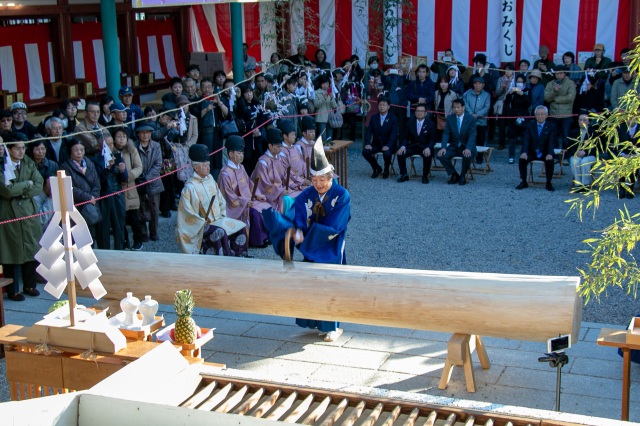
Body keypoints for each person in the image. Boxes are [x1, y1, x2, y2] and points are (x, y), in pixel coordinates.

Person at [262, 137, 351, 342]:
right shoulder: (308, 193)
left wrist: (306, 236)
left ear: (331, 177)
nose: (318, 184)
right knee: (310, 283)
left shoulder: (342, 194)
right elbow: (298, 213)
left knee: (330, 283)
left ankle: (333, 327)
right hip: (311, 243)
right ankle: (314, 322)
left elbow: (336, 225)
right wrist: (296, 230)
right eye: (315, 180)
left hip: (331, 244)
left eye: (322, 180)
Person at [176, 144, 248, 256]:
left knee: (240, 226)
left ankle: (240, 256)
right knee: (219, 231)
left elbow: (221, 201)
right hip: (201, 225)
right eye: (205, 166)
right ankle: (223, 260)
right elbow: (186, 215)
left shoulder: (210, 179)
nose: (209, 168)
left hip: (217, 219)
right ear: (196, 168)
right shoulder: (189, 187)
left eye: (208, 165)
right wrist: (202, 222)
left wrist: (222, 216)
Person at [0, 137, 43, 301]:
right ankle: (13, 290)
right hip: (8, 212)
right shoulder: (2, 164)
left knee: (31, 248)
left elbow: (38, 184)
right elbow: (7, 190)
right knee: (11, 251)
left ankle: (29, 285)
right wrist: (27, 184)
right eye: (17, 148)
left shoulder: (28, 162)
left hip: (27, 210)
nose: (21, 151)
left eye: (23, 148)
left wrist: (22, 190)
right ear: (9, 149)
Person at [218, 135, 271, 248]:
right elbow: (228, 197)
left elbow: (249, 183)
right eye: (239, 153)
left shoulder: (241, 167)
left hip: (248, 200)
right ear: (231, 154)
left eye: (242, 153)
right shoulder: (225, 173)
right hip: (236, 206)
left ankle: (267, 236)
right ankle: (257, 241)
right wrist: (245, 202)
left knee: (266, 206)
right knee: (254, 213)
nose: (242, 156)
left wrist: (257, 195)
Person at [61, 139, 102, 238]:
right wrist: (88, 197)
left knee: (91, 232)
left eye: (81, 150)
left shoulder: (89, 163)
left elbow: (97, 182)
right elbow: (70, 188)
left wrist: (94, 197)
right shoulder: (65, 167)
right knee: (78, 234)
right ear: (70, 152)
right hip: (76, 204)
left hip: (92, 202)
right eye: (76, 150)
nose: (79, 152)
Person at [112, 127, 144, 251]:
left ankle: (138, 240)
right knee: (120, 218)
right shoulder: (110, 150)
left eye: (124, 136)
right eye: (119, 136)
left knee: (134, 216)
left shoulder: (132, 150)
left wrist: (128, 176)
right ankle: (124, 241)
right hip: (117, 187)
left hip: (131, 187)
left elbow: (139, 167)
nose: (122, 139)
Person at [95, 133, 128, 250]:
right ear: (99, 147)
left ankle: (120, 249)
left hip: (117, 194)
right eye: (106, 145)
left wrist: (122, 171)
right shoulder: (96, 160)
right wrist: (107, 169)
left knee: (119, 224)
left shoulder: (117, 156)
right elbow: (98, 181)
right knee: (103, 227)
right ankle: (104, 251)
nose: (110, 147)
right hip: (103, 196)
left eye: (111, 144)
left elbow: (124, 179)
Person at [515, 106, 557, 192]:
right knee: (522, 159)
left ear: (546, 115)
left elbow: (552, 141)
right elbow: (526, 140)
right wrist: (524, 152)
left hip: (545, 152)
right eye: (538, 114)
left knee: (550, 161)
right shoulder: (530, 125)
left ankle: (548, 183)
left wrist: (550, 153)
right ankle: (523, 181)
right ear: (535, 115)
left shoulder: (551, 126)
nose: (540, 116)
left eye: (542, 114)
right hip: (532, 152)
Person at [437, 98, 477, 186]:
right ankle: (454, 174)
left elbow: (472, 135)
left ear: (463, 108)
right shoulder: (450, 118)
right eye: (454, 107)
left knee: (467, 156)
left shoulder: (471, 119)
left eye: (458, 107)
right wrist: (443, 147)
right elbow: (446, 133)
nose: (456, 109)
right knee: (441, 155)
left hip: (466, 145)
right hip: (454, 145)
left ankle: (463, 175)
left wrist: (468, 148)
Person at [135, 124, 164, 242]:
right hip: (139, 182)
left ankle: (154, 232)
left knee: (154, 209)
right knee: (140, 208)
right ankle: (143, 233)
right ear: (138, 134)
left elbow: (158, 164)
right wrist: (140, 178)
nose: (146, 135)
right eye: (143, 132)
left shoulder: (156, 146)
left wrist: (147, 178)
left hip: (153, 182)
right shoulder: (134, 147)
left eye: (148, 132)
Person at [396, 103, 437, 184]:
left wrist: (428, 147)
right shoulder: (410, 123)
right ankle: (404, 174)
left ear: (426, 113)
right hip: (413, 146)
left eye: (422, 111)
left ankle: (425, 176)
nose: (419, 113)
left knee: (428, 155)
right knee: (400, 154)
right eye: (417, 111)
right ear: (415, 112)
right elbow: (406, 137)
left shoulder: (430, 124)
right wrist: (403, 146)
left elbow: (433, 139)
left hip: (425, 147)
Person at [251, 128, 287, 212]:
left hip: (279, 191)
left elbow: (284, 175)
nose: (280, 149)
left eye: (281, 146)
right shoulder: (263, 163)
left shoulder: (279, 158)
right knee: (286, 201)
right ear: (270, 146)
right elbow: (264, 186)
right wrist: (280, 191)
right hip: (268, 196)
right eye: (278, 146)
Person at [199, 77, 229, 180]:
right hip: (205, 133)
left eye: (209, 87)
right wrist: (207, 109)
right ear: (201, 89)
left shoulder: (218, 99)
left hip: (217, 133)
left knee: (217, 159)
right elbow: (196, 116)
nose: (206, 89)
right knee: (207, 158)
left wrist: (219, 102)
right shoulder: (198, 101)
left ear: (213, 88)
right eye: (204, 87)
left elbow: (228, 115)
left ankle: (217, 180)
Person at [362, 97, 398, 179]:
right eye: (380, 105)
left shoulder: (393, 118)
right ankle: (376, 167)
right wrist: (367, 143)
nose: (382, 107)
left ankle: (386, 169)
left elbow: (394, 134)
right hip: (377, 144)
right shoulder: (374, 117)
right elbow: (369, 132)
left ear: (389, 106)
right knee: (365, 151)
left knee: (387, 153)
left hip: (389, 145)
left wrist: (388, 145)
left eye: (384, 105)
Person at [236, 83, 266, 177]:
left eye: (250, 92)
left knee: (258, 159)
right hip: (247, 137)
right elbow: (242, 118)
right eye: (246, 92)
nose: (249, 94)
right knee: (247, 162)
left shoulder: (257, 104)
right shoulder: (240, 105)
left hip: (258, 136)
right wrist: (251, 129)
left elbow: (263, 118)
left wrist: (258, 129)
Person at [544, 66, 576, 150]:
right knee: (553, 137)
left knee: (566, 137)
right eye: (557, 73)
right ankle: (554, 154)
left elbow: (570, 97)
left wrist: (556, 99)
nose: (558, 75)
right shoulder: (550, 84)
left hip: (566, 115)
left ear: (564, 73)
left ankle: (566, 155)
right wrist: (554, 91)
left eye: (561, 73)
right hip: (553, 114)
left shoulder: (570, 83)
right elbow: (546, 98)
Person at [462, 75, 490, 165]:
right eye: (476, 83)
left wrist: (477, 115)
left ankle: (479, 157)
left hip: (481, 122)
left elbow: (487, 107)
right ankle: (469, 156)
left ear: (483, 85)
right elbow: (465, 104)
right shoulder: (468, 93)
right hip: (469, 121)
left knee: (480, 140)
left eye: (480, 84)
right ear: (473, 85)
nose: (477, 85)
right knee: (469, 139)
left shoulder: (487, 95)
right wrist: (471, 115)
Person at [504, 74, 531, 164]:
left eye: (521, 82)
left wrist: (523, 94)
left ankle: (523, 154)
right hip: (513, 115)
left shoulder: (527, 91)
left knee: (524, 137)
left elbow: (529, 102)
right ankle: (511, 156)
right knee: (512, 138)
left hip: (524, 115)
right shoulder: (513, 91)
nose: (519, 83)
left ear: (524, 83)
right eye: (518, 82)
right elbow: (506, 103)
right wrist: (509, 93)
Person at [568, 114, 597, 192]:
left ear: (588, 122)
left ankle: (585, 184)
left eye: (584, 120)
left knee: (584, 162)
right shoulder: (573, 132)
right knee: (575, 161)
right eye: (580, 120)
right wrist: (576, 153)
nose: (582, 122)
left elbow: (596, 148)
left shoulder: (593, 133)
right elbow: (569, 147)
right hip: (576, 155)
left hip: (590, 155)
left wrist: (585, 152)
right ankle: (578, 184)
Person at [433, 76, 459, 141]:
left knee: (447, 136)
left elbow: (455, 106)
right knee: (438, 136)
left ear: (448, 83)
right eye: (441, 82)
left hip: (448, 118)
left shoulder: (453, 94)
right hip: (438, 117)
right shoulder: (436, 93)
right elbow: (434, 104)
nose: (443, 84)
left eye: (445, 82)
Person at [313, 74, 338, 141]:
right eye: (323, 83)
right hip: (321, 118)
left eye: (327, 83)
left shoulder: (330, 92)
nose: (325, 85)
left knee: (329, 138)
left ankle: (330, 151)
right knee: (322, 138)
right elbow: (316, 105)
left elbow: (335, 106)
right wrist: (323, 98)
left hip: (330, 118)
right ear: (320, 84)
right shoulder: (316, 93)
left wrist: (332, 97)